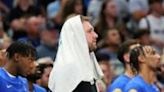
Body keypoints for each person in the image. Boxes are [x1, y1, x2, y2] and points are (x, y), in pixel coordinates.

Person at [48, 15, 103, 92]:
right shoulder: (68, 68)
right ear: (77, 36)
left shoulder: (85, 65)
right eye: (89, 31)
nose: (96, 35)